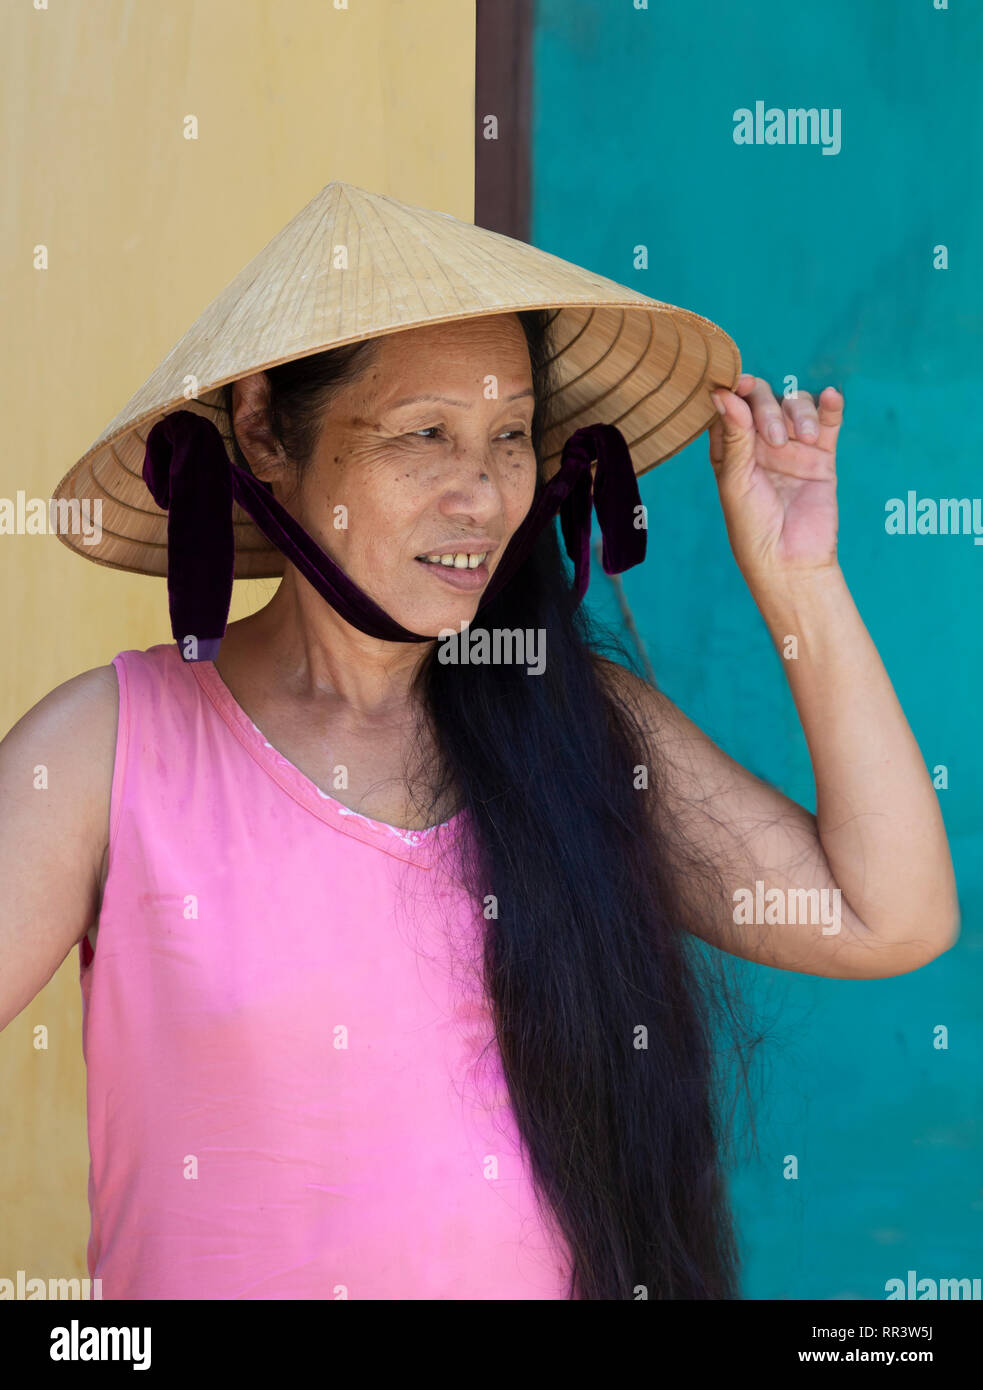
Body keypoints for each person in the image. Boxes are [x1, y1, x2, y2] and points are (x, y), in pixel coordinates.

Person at [0, 184, 958, 1301]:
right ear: (264, 430)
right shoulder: (105, 753)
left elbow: (885, 912)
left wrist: (799, 582)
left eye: (509, 437)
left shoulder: (576, 732)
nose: (481, 495)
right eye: (424, 436)